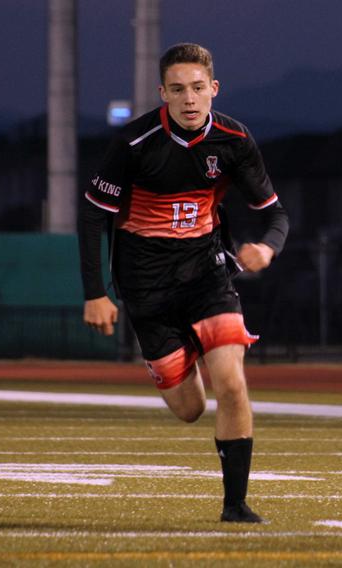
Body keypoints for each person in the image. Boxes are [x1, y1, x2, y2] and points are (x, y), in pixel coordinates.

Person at [79, 43, 288, 523]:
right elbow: (93, 215)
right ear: (162, 93)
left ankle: (235, 505)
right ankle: (184, 356)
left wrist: (268, 247)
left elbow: (275, 212)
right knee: (190, 408)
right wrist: (96, 292)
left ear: (214, 89)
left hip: (208, 274)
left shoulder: (235, 140)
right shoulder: (134, 144)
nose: (189, 99)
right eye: (178, 90)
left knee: (232, 384)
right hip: (145, 287)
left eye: (198, 88)